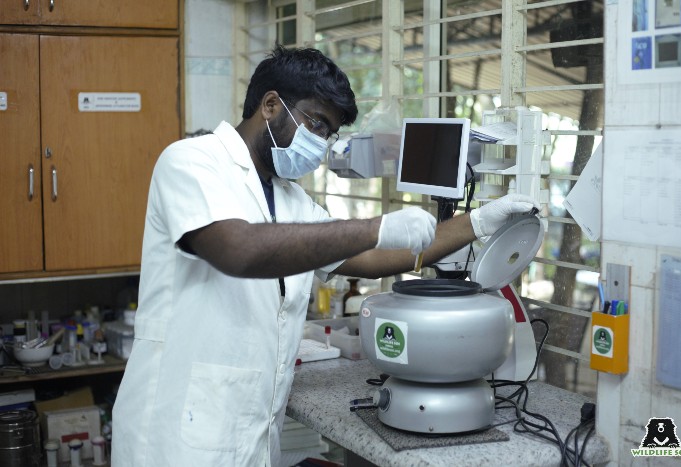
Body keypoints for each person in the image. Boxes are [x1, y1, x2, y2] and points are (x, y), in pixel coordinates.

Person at [111, 45, 538, 467]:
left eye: (329, 133)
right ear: (272, 105)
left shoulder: (289, 197)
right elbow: (237, 250)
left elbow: (370, 257)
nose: (321, 144)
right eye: (316, 123)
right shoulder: (190, 162)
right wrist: (377, 226)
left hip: (247, 430)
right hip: (174, 435)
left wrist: (478, 223)